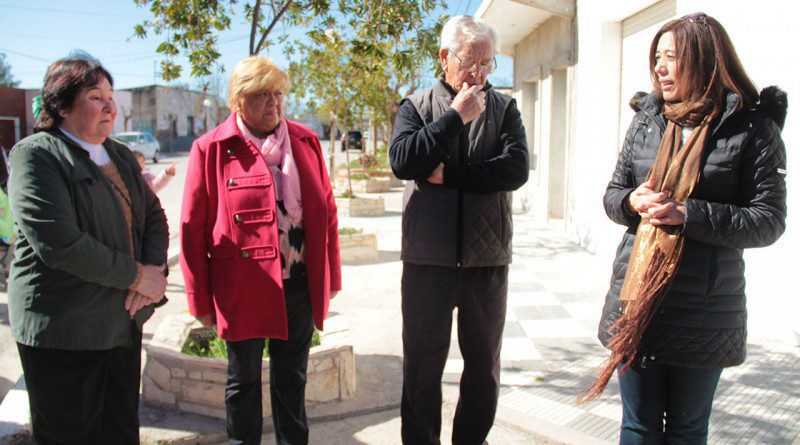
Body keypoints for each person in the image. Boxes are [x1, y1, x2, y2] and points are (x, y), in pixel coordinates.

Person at [584, 13, 788, 444]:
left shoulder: (752, 129)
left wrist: (688, 213)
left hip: (704, 310)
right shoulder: (647, 118)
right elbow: (614, 194)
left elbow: (768, 220)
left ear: (704, 59)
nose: (659, 67)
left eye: (671, 57)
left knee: (688, 429)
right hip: (636, 299)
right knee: (637, 425)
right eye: (656, 57)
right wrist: (631, 201)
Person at [7, 51, 169, 444]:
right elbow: (60, 244)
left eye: (111, 97)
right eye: (95, 97)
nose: (110, 107)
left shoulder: (120, 154)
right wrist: (137, 277)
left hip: (121, 324)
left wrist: (152, 271)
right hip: (67, 332)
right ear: (61, 106)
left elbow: (153, 216)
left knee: (119, 432)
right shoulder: (37, 154)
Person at [180, 55, 341, 445]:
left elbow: (328, 212)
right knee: (243, 381)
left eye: (278, 93)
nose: (274, 102)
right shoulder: (210, 149)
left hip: (298, 284)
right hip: (241, 287)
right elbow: (191, 229)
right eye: (261, 94)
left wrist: (331, 277)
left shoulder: (305, 141)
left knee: (292, 379)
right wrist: (199, 299)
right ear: (238, 100)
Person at [389, 15, 529, 444]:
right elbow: (404, 162)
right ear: (445, 57)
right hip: (427, 259)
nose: (479, 73)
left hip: (486, 259)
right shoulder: (416, 106)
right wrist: (454, 117)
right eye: (470, 61)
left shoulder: (504, 108)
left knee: (483, 368)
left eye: (487, 63)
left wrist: (450, 175)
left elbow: (515, 169)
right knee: (422, 367)